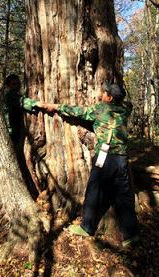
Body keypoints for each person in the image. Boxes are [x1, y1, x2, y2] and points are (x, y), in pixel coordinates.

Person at [38, 81, 139, 247]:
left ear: (110, 97)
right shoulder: (124, 110)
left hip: (105, 158)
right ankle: (131, 234)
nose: (101, 93)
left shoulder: (100, 109)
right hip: (121, 158)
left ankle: (87, 227)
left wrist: (55, 106)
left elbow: (78, 111)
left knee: (94, 190)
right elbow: (129, 104)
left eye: (104, 92)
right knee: (123, 195)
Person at [0, 74, 39, 192]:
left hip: (17, 133)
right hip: (10, 134)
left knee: (17, 159)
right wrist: (40, 104)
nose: (16, 86)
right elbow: (24, 103)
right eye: (13, 84)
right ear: (8, 86)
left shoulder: (16, 95)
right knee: (3, 158)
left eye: (18, 84)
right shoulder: (10, 96)